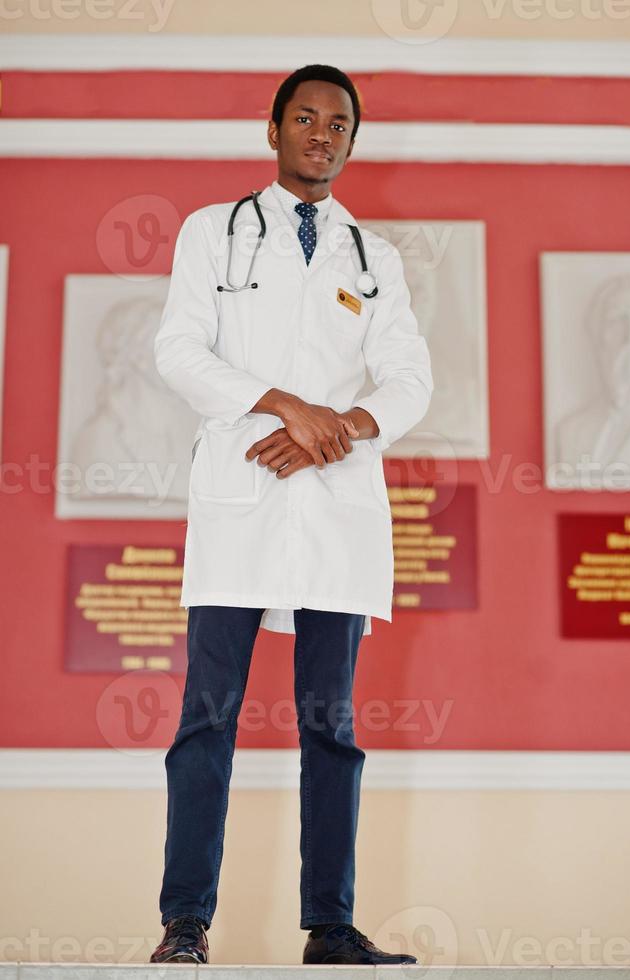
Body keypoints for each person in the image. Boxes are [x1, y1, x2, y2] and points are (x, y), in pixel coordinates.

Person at [149, 63, 433, 966]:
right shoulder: (214, 235)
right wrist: (282, 404)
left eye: (339, 123)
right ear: (272, 132)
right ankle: (185, 924)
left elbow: (410, 382)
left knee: (331, 725)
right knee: (208, 716)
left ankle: (331, 926)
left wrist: (336, 426)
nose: (322, 133)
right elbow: (179, 352)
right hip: (240, 500)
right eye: (305, 118)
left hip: (335, 507)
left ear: (352, 139)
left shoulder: (372, 259)